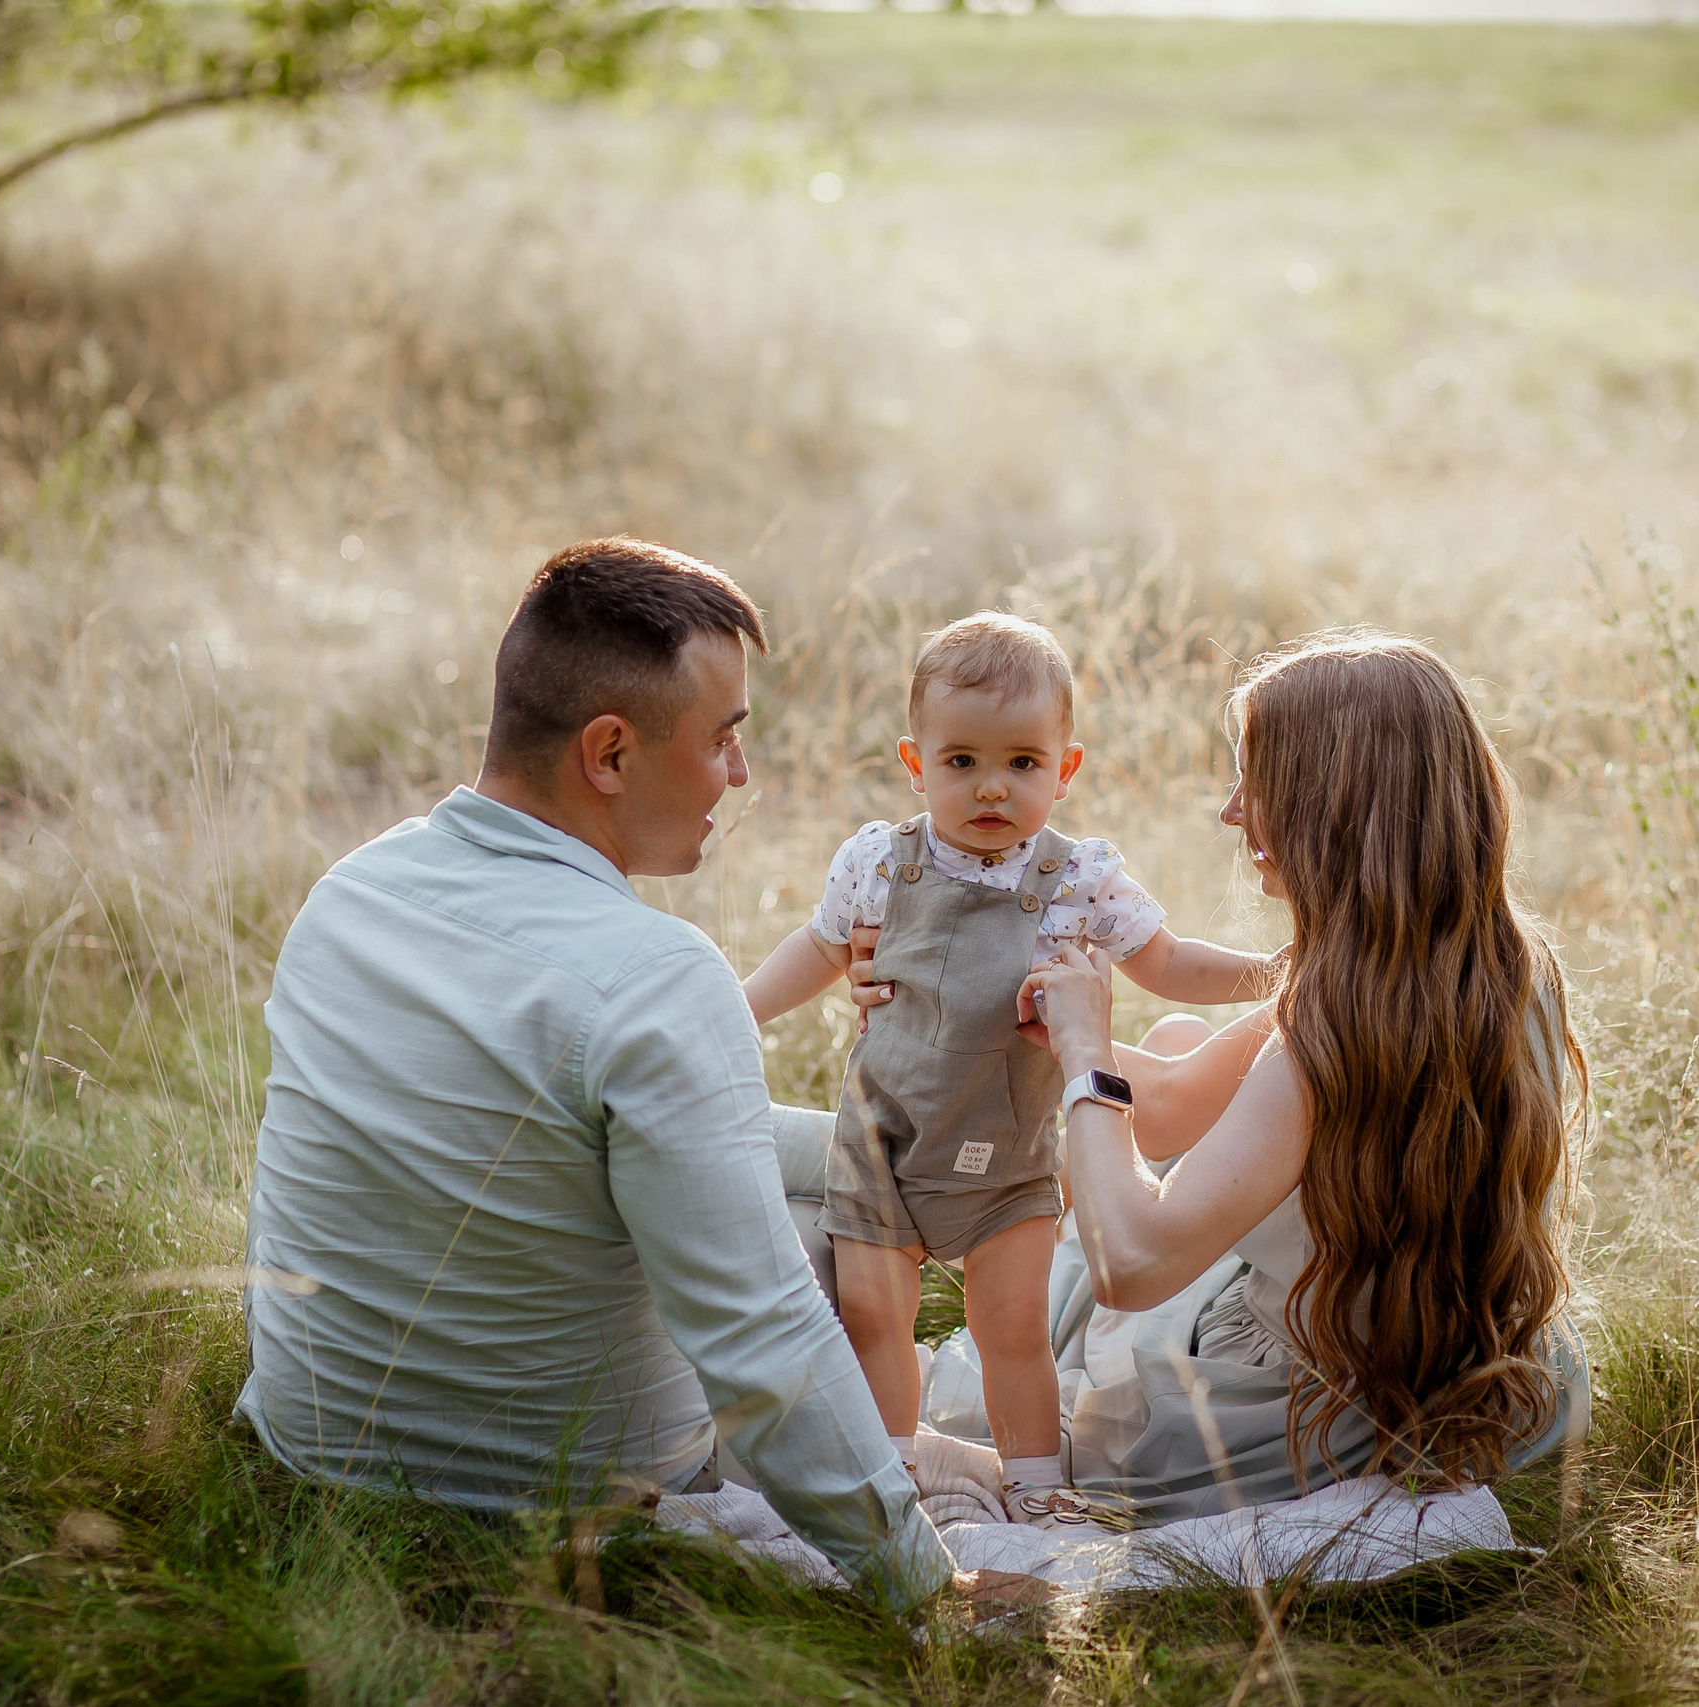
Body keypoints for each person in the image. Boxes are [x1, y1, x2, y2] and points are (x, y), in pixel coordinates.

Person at [234, 538, 956, 1611]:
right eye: (723, 739)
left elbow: (617, 1132)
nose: (739, 776)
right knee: (828, 1248)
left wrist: (892, 1155)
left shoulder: (353, 891)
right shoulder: (655, 976)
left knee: (845, 1192)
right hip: (561, 1505)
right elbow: (761, 1340)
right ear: (609, 752)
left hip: (317, 1457)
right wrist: (929, 1593)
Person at [952, 629, 1591, 1522]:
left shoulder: (1331, 1033)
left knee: (1076, 1283)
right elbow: (1173, 1105)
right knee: (1177, 1042)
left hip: (1296, 1413)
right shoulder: (1494, 962)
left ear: (1334, 804)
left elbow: (1131, 1266)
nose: (1230, 811)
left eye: (1256, 781)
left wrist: (1090, 1056)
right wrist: (1044, 1035)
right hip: (1467, 1363)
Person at [741, 613, 1274, 1526]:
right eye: (962, 762)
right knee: (874, 1311)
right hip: (883, 1137)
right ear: (916, 763)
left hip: (1008, 1152)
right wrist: (735, 1007)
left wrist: (1275, 971)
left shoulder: (1078, 879)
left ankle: (1037, 1484)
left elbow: (1171, 961)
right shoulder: (880, 862)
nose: (992, 786)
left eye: (1023, 762)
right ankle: (892, 1474)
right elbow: (819, 946)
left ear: (1065, 769)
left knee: (1012, 1324)